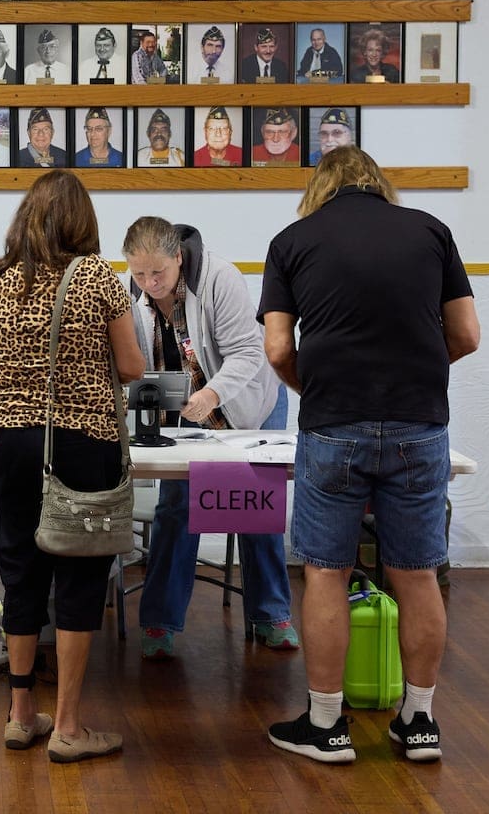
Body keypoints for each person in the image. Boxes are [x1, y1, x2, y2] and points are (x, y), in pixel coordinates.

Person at [259, 146, 479, 764]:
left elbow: (277, 350)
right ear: (378, 184)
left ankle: (326, 727)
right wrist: (416, 378)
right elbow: (465, 335)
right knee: (416, 572)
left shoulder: (292, 241)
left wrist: (318, 388)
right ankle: (419, 721)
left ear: (320, 187)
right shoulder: (433, 232)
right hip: (420, 426)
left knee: (326, 571)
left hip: (333, 426)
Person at [0, 170, 146, 764]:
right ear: (82, 220)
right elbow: (131, 366)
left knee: (20, 568)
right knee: (79, 575)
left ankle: (21, 716)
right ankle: (67, 727)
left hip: (8, 441)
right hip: (78, 440)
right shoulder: (94, 276)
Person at [123, 217, 296, 659]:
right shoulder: (134, 290)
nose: (149, 282)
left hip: (247, 401)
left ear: (178, 257)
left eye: (158, 272)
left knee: (256, 507)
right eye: (139, 273)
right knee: (176, 505)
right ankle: (160, 623)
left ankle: (271, 615)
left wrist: (212, 393)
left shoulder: (221, 278)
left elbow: (249, 352)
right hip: (188, 411)